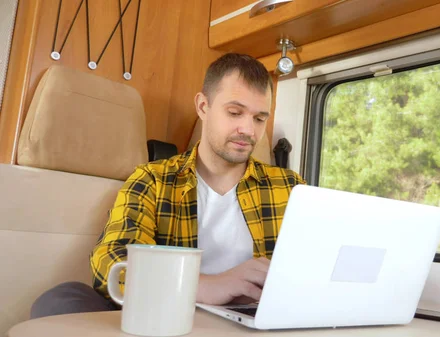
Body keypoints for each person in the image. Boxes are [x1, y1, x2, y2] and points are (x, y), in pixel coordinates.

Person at [30, 53, 305, 318]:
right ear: (203, 107)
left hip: (254, 324)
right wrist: (205, 285)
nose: (249, 130)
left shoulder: (292, 188)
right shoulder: (153, 180)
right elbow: (112, 261)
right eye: (235, 112)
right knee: (62, 299)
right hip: (167, 316)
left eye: (259, 119)